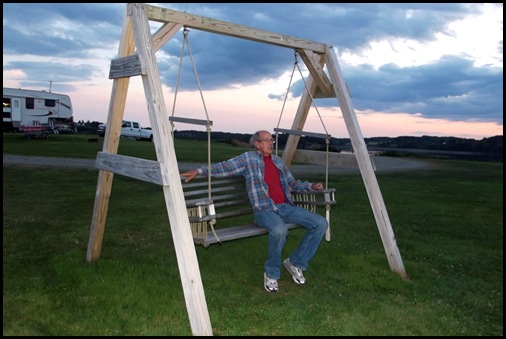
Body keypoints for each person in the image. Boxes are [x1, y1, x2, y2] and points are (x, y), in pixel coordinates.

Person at [180, 130, 328, 292]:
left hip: (286, 207)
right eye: (266, 140)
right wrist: (199, 171)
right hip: (264, 210)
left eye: (271, 140)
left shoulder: (278, 161)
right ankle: (271, 273)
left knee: (321, 223)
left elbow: (293, 184)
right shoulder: (248, 159)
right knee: (279, 230)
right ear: (257, 144)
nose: (271, 143)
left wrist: (311, 186)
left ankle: (296, 262)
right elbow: (223, 167)